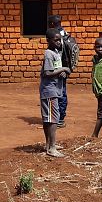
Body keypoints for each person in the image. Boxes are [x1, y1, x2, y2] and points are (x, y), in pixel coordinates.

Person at [37, 28, 69, 157]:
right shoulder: (49, 53)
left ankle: (49, 144)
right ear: (48, 40)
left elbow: (54, 70)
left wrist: (61, 72)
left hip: (54, 89)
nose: (59, 42)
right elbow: (47, 72)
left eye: (59, 40)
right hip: (49, 90)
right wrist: (64, 69)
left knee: (49, 118)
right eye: (55, 40)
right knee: (53, 119)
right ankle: (51, 147)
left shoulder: (55, 52)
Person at [47, 15, 78, 128]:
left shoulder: (56, 37)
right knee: (62, 92)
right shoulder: (66, 34)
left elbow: (58, 54)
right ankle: (60, 117)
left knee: (60, 93)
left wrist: (61, 69)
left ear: (51, 24)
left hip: (59, 69)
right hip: (65, 69)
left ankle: (59, 118)